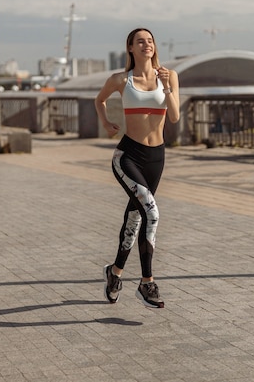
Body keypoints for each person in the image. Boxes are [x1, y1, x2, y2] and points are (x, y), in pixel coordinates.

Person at [95, 28, 180, 308]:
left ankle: (115, 273)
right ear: (130, 48)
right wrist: (107, 123)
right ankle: (147, 283)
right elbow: (100, 100)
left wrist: (167, 86)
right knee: (151, 213)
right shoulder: (121, 80)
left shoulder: (169, 76)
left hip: (156, 157)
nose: (147, 45)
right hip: (128, 156)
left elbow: (175, 116)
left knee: (136, 217)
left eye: (151, 40)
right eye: (140, 41)